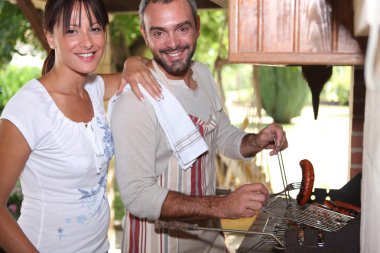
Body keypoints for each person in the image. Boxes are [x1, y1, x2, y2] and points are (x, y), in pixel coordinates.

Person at [110, 0, 289, 252]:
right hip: (159, 245)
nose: (172, 44)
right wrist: (222, 206)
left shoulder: (202, 74)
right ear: (144, 33)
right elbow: (138, 196)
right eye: (159, 32)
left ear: (197, 26)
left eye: (182, 28)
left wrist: (255, 141)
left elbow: (222, 134)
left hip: (209, 239)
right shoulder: (135, 101)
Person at [0, 0, 162, 252]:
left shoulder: (94, 88)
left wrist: (132, 61)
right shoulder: (28, 107)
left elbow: (148, 70)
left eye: (95, 29)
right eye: (72, 30)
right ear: (50, 37)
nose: (87, 42)